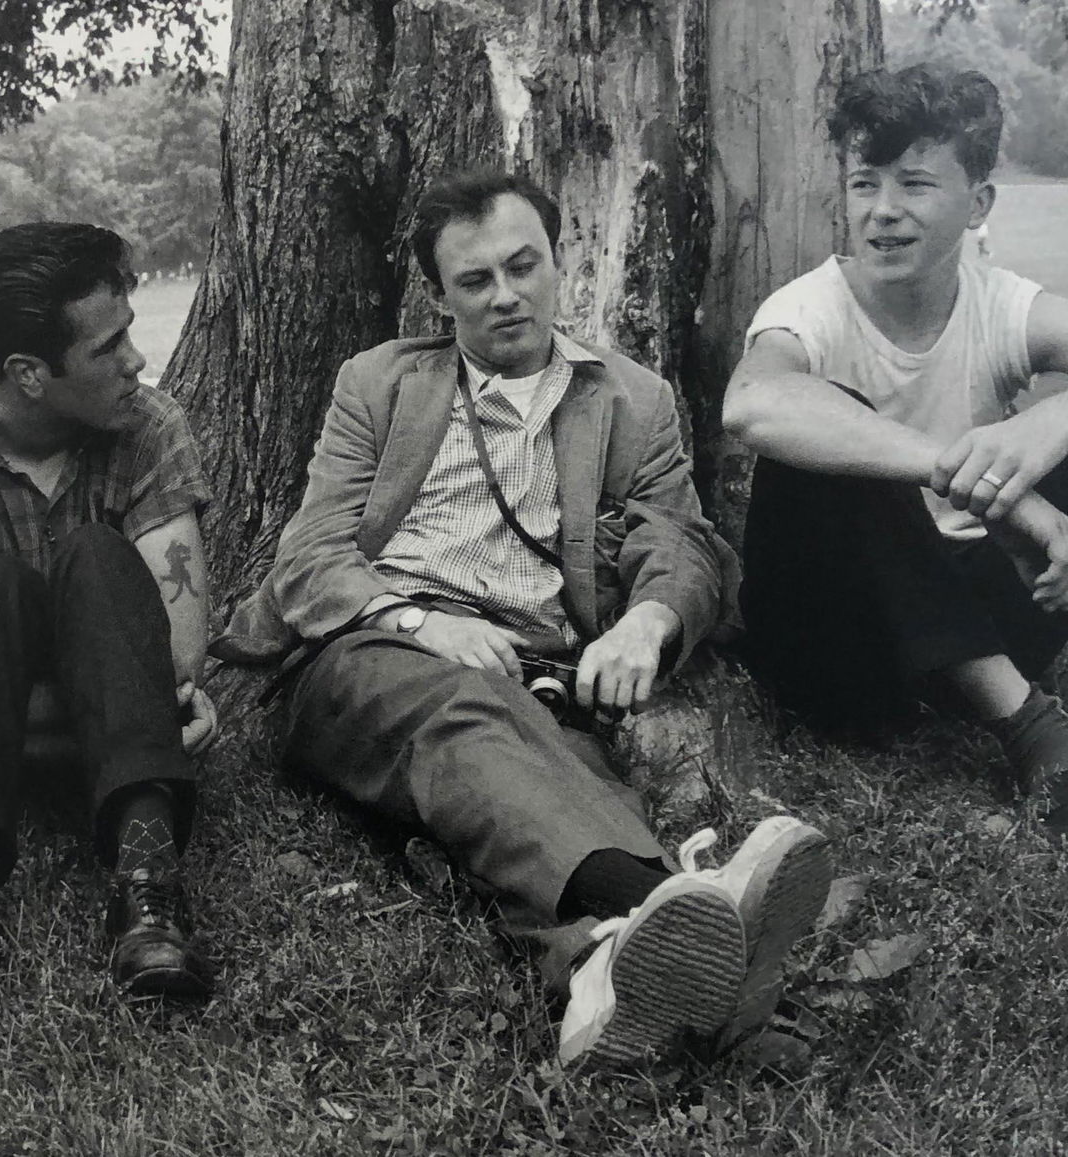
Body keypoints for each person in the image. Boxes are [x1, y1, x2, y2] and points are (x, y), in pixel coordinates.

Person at [214, 170, 832, 1067]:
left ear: (556, 262)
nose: (505, 295)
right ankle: (671, 911)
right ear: (440, 294)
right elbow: (308, 558)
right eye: (475, 281)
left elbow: (682, 544)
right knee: (471, 714)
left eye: (522, 265)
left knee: (560, 788)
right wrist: (425, 625)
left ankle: (598, 976)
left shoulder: (634, 399)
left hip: (533, 674)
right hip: (366, 654)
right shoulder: (379, 384)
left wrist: (644, 623)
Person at [0, 222, 220, 1024]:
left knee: (95, 551)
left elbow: (178, 665)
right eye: (109, 346)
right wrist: (114, 703)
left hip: (55, 742)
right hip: (45, 752)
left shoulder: (150, 429)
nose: (135, 360)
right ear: (28, 372)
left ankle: (148, 889)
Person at [723, 64, 1068, 835]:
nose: (882, 212)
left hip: (983, 606)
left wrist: (1043, 427)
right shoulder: (809, 308)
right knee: (831, 434)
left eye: (914, 184)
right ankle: (1027, 724)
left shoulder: (1001, 304)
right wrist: (992, 489)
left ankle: (989, 685)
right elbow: (752, 402)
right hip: (844, 650)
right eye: (863, 183)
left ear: (977, 202)